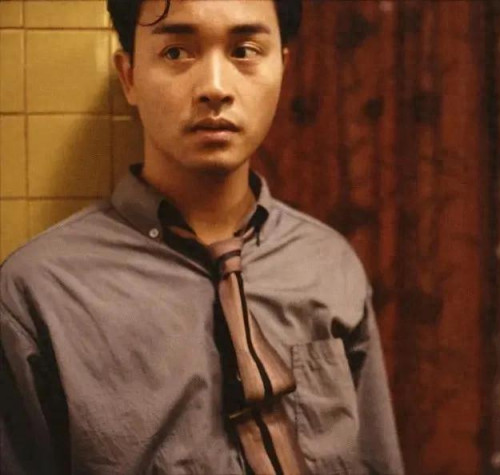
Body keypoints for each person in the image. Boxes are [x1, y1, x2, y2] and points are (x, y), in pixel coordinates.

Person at [0, 1, 403, 474]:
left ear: (282, 68)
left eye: (245, 51)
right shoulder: (38, 294)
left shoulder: (329, 265)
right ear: (129, 76)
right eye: (176, 52)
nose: (214, 87)